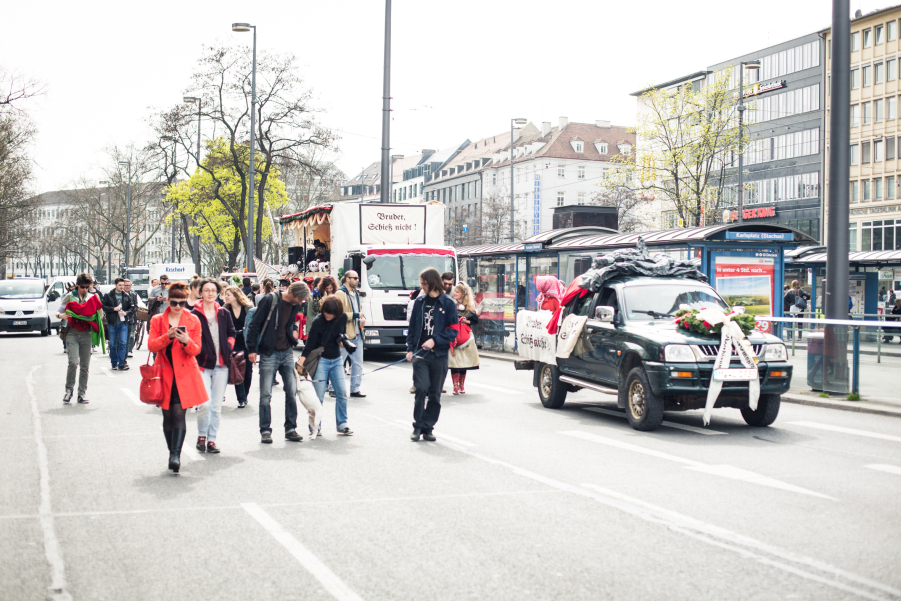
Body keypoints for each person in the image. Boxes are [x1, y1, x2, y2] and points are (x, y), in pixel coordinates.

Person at [147, 282, 208, 473]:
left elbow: (197, 349)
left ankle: (175, 455)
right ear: (167, 301)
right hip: (164, 372)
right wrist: (167, 337)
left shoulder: (193, 320)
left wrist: (186, 341)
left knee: (179, 413)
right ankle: (171, 451)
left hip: (185, 373)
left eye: (182, 303)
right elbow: (151, 346)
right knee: (167, 415)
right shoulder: (157, 320)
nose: (178, 307)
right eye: (174, 302)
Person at [246, 281, 311, 444]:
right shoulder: (270, 300)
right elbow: (254, 325)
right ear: (294, 294)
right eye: (301, 299)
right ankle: (265, 430)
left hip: (287, 351)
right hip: (269, 352)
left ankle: (290, 428)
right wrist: (252, 349)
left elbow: (288, 324)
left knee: (292, 391)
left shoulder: (295, 305)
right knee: (266, 394)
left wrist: (292, 334)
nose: (301, 302)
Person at [406, 268, 459, 442]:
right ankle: (418, 425)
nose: (421, 286)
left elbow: (453, 331)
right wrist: (410, 348)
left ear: (432, 283)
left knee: (435, 393)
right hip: (421, 354)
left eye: (423, 283)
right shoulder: (420, 301)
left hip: (439, 355)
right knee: (421, 388)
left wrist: (435, 340)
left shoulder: (449, 303)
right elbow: (413, 327)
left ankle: (428, 427)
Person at [190, 279, 236, 453]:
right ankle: (202, 434)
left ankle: (212, 439)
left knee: (216, 406)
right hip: (202, 365)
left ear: (218, 293)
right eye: (206, 290)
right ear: (200, 293)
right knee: (205, 404)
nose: (210, 293)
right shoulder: (193, 314)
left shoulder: (224, 313)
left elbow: (232, 333)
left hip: (222, 366)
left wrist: (229, 346)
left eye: (213, 290)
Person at [299, 296, 354, 437]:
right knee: (318, 397)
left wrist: (344, 343)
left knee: (342, 393)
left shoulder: (341, 318)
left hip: (336, 359)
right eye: (326, 312)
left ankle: (342, 424)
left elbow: (340, 335)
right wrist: (302, 361)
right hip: (321, 360)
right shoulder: (318, 321)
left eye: (331, 313)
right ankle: (314, 427)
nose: (328, 315)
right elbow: (310, 343)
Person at [57, 273, 103, 404]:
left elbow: (100, 314)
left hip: (86, 334)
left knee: (84, 366)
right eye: (82, 287)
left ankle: (81, 394)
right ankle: (68, 390)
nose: (85, 289)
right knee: (72, 362)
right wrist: (61, 316)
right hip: (72, 333)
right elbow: (58, 312)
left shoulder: (92, 297)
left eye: (87, 287)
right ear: (77, 285)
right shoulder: (70, 297)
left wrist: (97, 308)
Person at [336, 270, 366, 398]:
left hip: (357, 332)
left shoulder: (356, 293)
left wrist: (361, 319)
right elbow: (337, 314)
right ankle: (333, 387)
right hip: (345, 334)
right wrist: (355, 315)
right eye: (354, 278)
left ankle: (355, 388)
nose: (357, 280)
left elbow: (358, 311)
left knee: (358, 363)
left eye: (358, 278)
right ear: (347, 279)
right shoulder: (340, 293)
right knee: (339, 362)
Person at [223, 285, 254, 408]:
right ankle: (241, 398)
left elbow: (254, 326)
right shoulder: (224, 310)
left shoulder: (248, 309)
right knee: (237, 367)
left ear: (236, 296)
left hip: (246, 341)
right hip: (232, 341)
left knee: (248, 371)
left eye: (228, 295)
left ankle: (245, 396)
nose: (225, 297)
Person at [448, 282, 480, 395]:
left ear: (463, 294)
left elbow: (475, 320)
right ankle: (455, 386)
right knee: (454, 361)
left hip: (466, 337)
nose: (455, 293)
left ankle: (461, 385)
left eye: (457, 292)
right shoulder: (451, 303)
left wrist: (467, 321)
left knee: (463, 361)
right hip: (453, 335)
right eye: (455, 291)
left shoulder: (469, 306)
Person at [102, 278, 133, 371]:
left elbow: (132, 307)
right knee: (112, 344)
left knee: (123, 343)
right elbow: (103, 306)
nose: (122, 287)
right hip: (112, 323)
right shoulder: (108, 295)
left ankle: (122, 363)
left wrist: (126, 313)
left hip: (123, 323)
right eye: (120, 285)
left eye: (123, 285)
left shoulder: (127, 296)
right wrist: (113, 309)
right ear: (115, 285)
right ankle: (114, 362)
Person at [123, 279, 139, 359]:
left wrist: (130, 311)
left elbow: (136, 306)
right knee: (123, 336)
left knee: (131, 335)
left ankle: (129, 350)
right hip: (121, 318)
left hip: (131, 318)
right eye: (126, 285)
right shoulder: (120, 294)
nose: (127, 287)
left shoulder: (133, 294)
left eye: (129, 285)